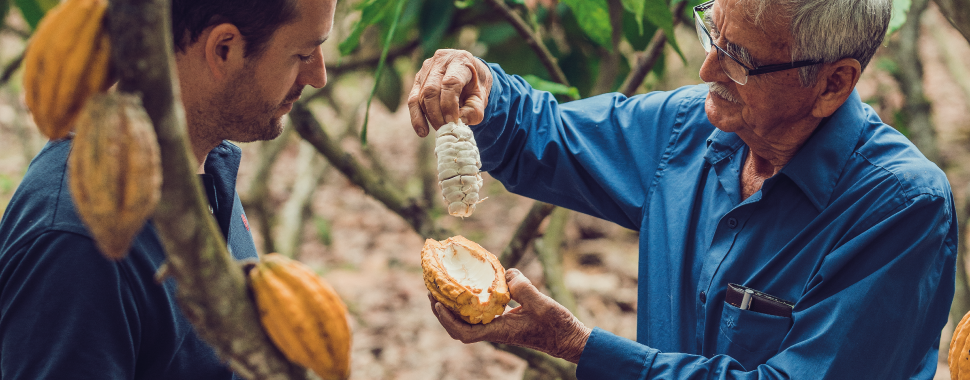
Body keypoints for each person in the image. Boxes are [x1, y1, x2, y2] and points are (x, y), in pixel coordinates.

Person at [409, 0, 957, 378]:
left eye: (739, 57)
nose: (705, 68)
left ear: (833, 83)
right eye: (712, 32)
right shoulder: (689, 129)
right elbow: (546, 137)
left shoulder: (900, 208)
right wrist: (483, 86)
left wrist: (575, 344)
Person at [0, 0, 333, 378]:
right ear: (223, 50)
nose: (318, 75)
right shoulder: (75, 240)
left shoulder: (199, 166)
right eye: (303, 53)